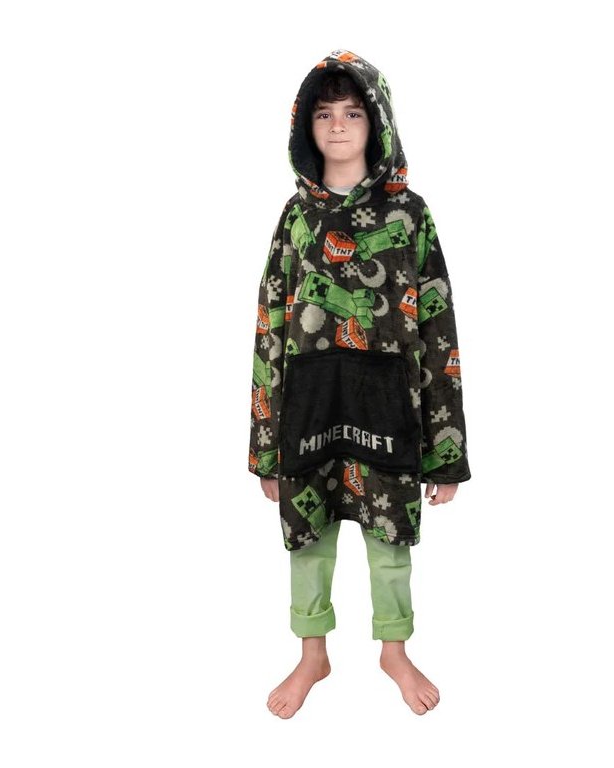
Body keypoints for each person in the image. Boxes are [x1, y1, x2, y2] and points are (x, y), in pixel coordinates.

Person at [247, 50, 471, 718]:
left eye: (352, 113)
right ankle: (312, 653)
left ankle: (394, 651)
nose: (338, 126)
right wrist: (265, 449)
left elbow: (439, 330)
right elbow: (269, 326)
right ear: (305, 126)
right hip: (309, 404)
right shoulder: (295, 218)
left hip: (389, 404)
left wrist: (446, 452)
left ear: (377, 124)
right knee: (307, 540)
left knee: (390, 541)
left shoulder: (410, 216)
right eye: (324, 114)